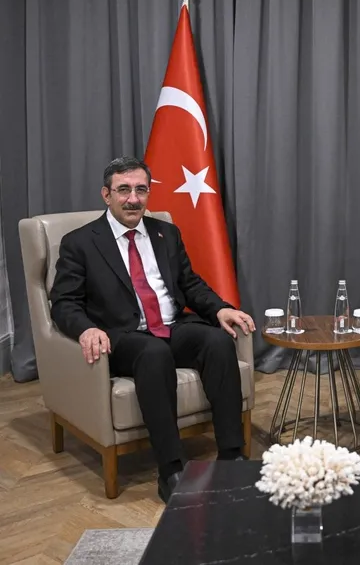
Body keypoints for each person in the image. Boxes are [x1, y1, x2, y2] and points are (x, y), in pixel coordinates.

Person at [50, 156, 255, 503]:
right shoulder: (80, 242)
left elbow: (189, 284)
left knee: (218, 341)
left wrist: (220, 308)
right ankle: (171, 468)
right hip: (123, 337)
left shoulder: (165, 233)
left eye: (141, 190)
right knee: (154, 353)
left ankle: (232, 456)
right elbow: (64, 302)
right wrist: (85, 329)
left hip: (171, 326)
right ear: (106, 195)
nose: (133, 199)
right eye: (124, 190)